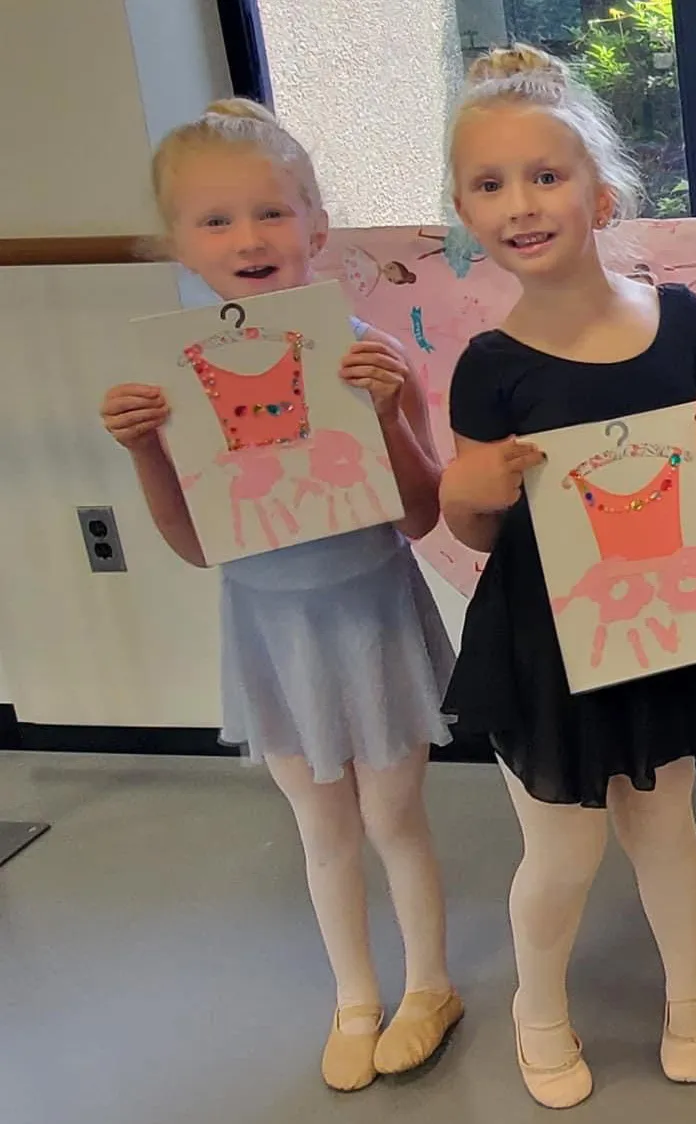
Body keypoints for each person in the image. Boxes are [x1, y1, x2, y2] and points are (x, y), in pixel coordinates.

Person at [98, 100, 459, 1092]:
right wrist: (143, 452)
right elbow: (191, 542)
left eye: (268, 212)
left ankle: (428, 983)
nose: (247, 238)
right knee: (322, 827)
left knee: (394, 818)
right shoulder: (169, 384)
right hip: (267, 628)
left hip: (371, 617)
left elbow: (421, 514)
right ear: (178, 241)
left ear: (315, 225)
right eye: (215, 220)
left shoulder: (369, 356)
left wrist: (388, 412)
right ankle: (353, 995)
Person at [438, 44, 696, 1108]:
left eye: (545, 175)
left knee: (666, 825)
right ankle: (540, 1007)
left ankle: (688, 996)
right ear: (463, 208)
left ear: (601, 191)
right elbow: (480, 534)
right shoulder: (492, 365)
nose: (521, 203)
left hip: (656, 621)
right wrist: (470, 485)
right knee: (564, 848)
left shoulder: (681, 321)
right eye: (490, 185)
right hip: (542, 641)